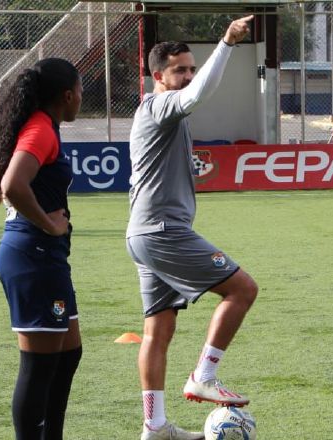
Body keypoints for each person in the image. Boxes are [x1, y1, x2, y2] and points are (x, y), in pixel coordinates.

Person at [126, 15, 259, 440]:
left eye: (191, 68)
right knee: (242, 289)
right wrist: (227, 42)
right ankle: (204, 374)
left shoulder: (163, 111)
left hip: (143, 233)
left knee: (157, 332)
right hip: (163, 231)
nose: (188, 76)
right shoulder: (161, 105)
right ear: (157, 76)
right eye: (179, 70)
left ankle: (155, 425)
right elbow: (198, 95)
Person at [0, 58, 83, 440]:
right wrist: (49, 223)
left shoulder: (45, 125)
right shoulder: (41, 129)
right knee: (38, 367)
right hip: (32, 256)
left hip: (46, 258)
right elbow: (13, 185)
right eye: (81, 91)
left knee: (68, 354)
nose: (82, 99)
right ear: (67, 95)